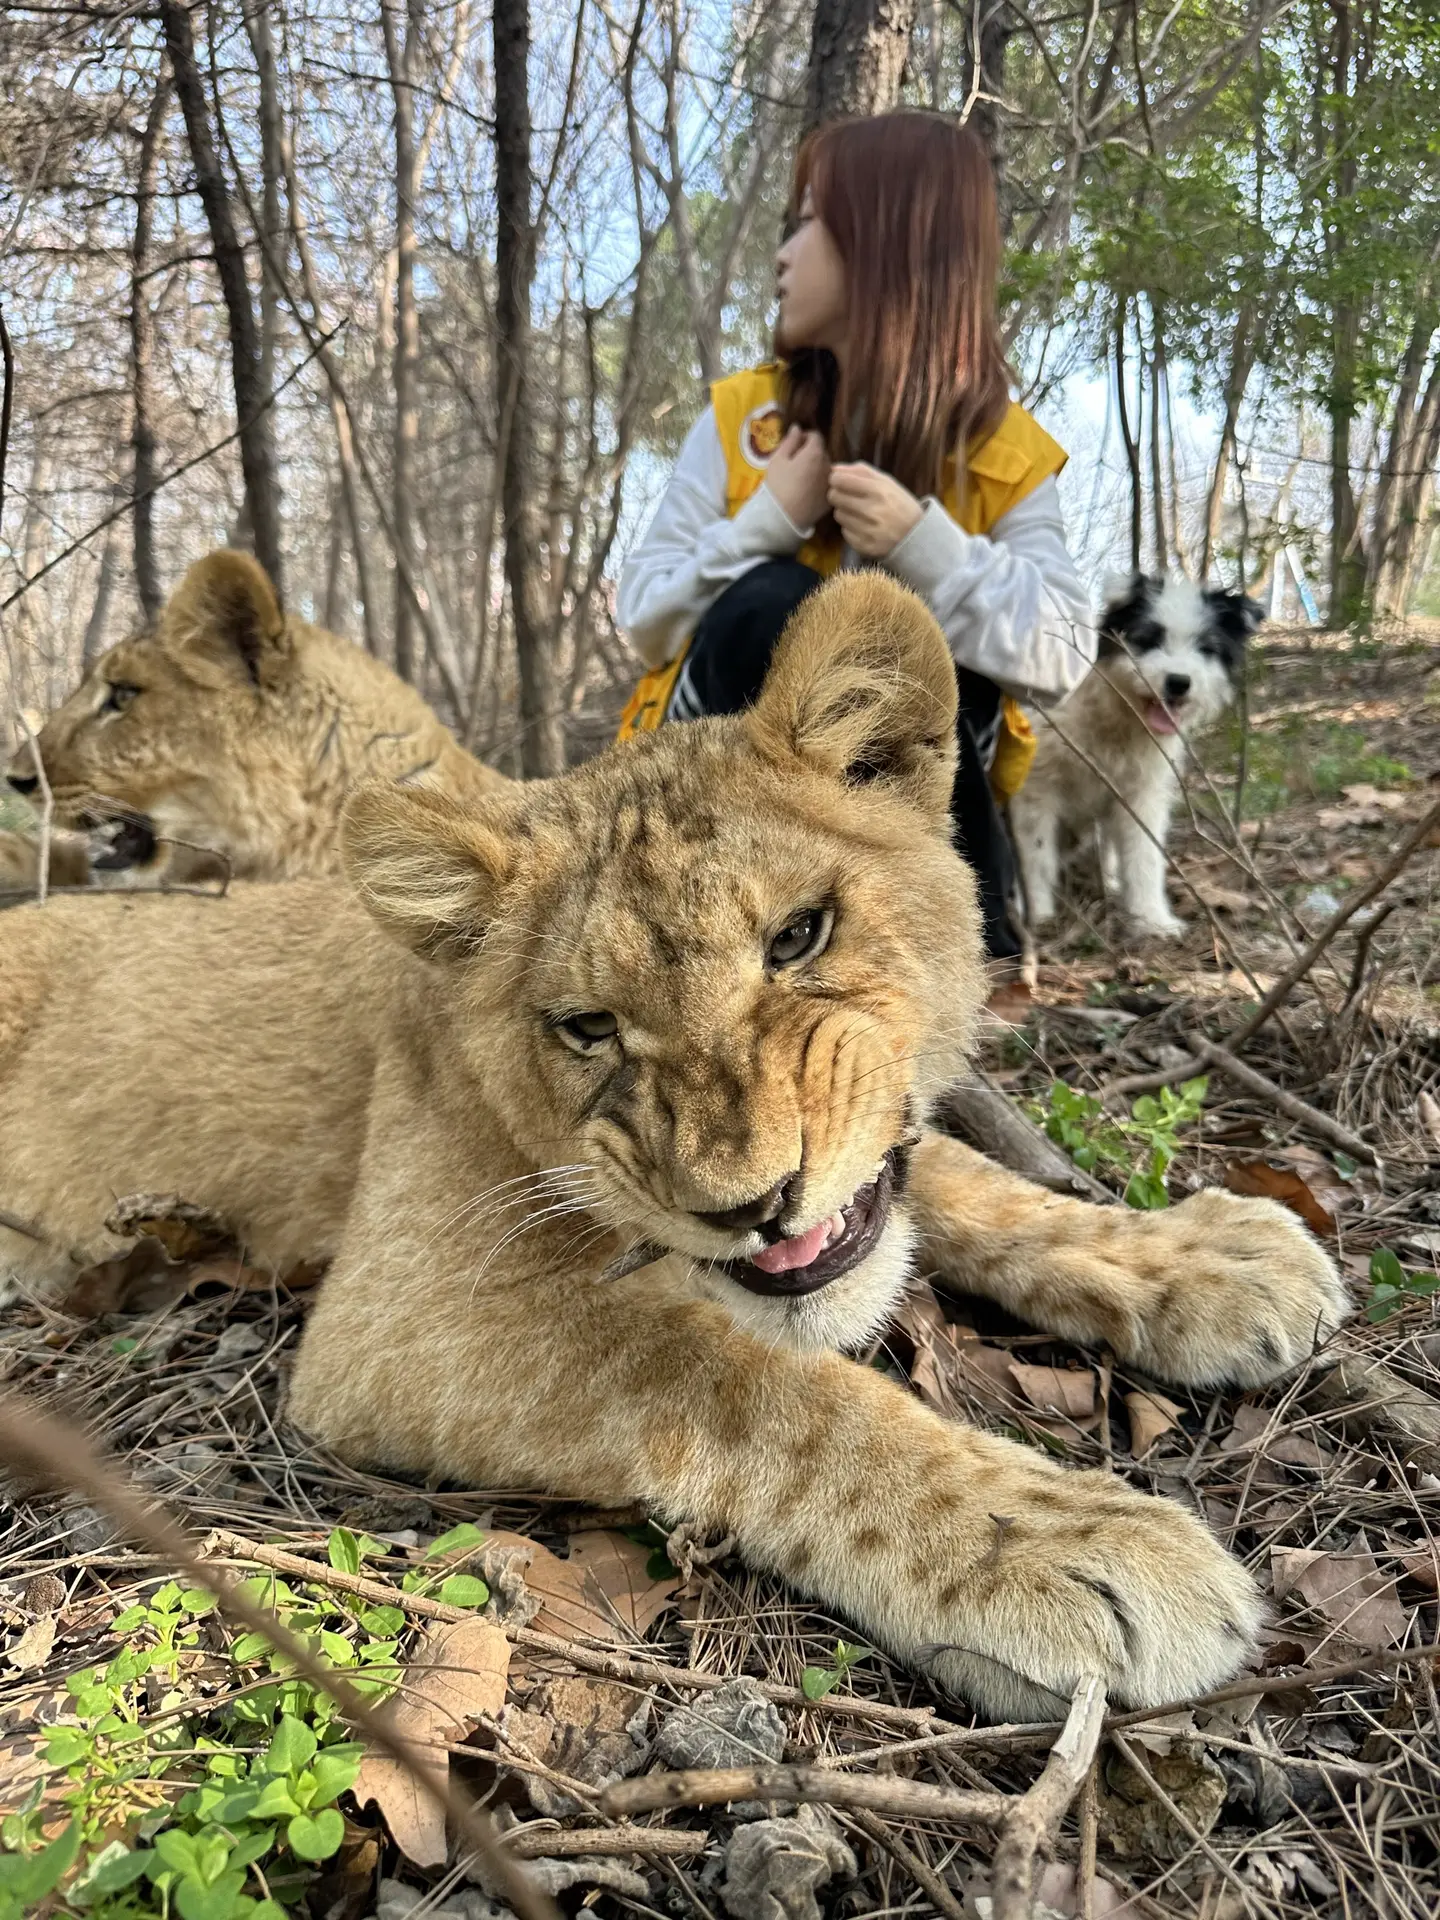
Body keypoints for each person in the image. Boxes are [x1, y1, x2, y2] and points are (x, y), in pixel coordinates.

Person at [615, 110, 1093, 962]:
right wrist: (769, 522)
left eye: (806, 222)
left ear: (887, 244)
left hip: (902, 830)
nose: (782, 253)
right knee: (777, 607)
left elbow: (1064, 654)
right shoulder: (740, 419)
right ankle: (694, 922)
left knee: (923, 649)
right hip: (702, 790)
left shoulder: (1002, 451)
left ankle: (967, 947)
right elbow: (645, 616)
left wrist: (926, 544)